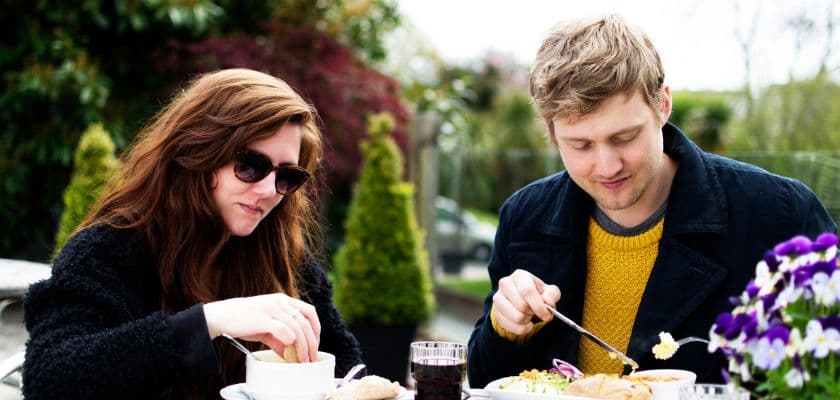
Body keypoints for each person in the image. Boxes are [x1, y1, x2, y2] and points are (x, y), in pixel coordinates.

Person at [467, 14, 837, 386]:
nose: (607, 166)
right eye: (580, 145)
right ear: (551, 133)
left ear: (662, 104)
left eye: (625, 137)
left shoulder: (781, 216)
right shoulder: (525, 218)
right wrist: (506, 329)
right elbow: (485, 383)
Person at [22, 68, 362, 399]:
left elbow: (348, 369)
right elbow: (49, 377)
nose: (269, 190)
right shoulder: (111, 247)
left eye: (286, 176)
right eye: (251, 166)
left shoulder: (280, 252)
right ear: (199, 152)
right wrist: (209, 321)